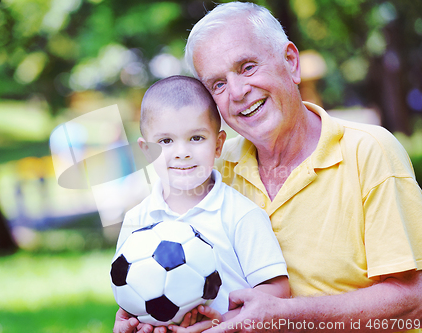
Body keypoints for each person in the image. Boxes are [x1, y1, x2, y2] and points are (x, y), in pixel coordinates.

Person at [180, 2, 422, 332]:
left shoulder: (369, 151)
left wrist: (284, 314)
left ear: (291, 63)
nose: (237, 92)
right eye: (218, 84)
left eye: (248, 67)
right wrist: (146, 306)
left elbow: (414, 301)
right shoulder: (213, 169)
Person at [113, 75, 290, 333]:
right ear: (147, 150)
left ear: (218, 144)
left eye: (196, 138)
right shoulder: (136, 221)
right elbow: (129, 295)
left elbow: (277, 290)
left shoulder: (241, 215)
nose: (182, 152)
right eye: (165, 141)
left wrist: (225, 322)